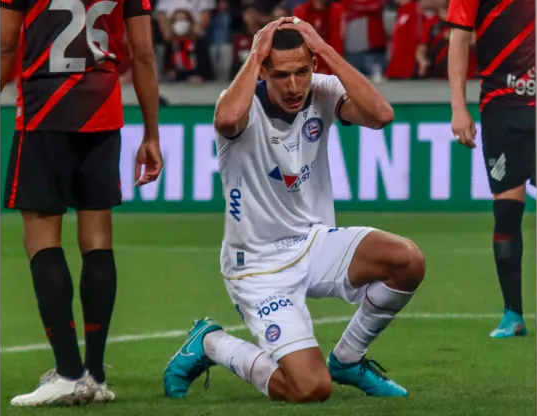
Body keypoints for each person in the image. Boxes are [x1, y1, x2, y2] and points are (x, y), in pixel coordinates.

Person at [163, 17, 426, 402]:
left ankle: (349, 359)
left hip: (313, 241)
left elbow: (381, 115)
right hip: (257, 266)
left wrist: (326, 51)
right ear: (263, 70)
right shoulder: (239, 103)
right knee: (309, 388)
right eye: (282, 74)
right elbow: (227, 120)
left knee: (408, 260)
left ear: (313, 66)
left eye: (302, 71)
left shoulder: (321, 89)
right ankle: (211, 343)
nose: (294, 86)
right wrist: (255, 53)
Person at [0, 0, 163, 406]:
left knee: (40, 235)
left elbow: (4, 44)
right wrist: (151, 133)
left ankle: (70, 373)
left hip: (44, 110)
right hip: (102, 112)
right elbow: (142, 53)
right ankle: (95, 372)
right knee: (97, 238)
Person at [446, 0, 534, 338]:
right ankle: (513, 314)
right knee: (507, 212)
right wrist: (458, 106)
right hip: (502, 106)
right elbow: (458, 39)